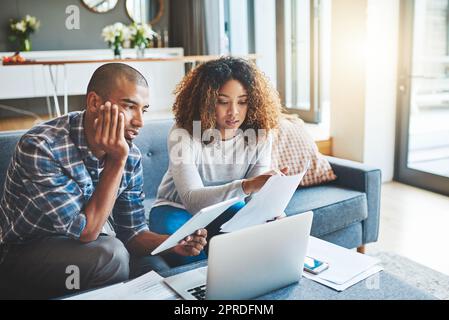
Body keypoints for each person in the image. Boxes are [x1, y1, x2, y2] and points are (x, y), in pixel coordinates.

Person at [0, 63, 207, 299]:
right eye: (129, 106)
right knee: (112, 255)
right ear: (94, 103)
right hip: (27, 251)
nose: (139, 121)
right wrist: (116, 161)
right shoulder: (41, 147)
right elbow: (85, 232)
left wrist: (174, 242)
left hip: (99, 242)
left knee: (158, 271)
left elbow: (133, 233)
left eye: (144, 110)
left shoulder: (131, 154)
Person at [149, 57, 286, 267]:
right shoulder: (182, 133)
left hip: (227, 206)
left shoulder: (260, 134)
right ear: (205, 101)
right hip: (175, 208)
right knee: (192, 257)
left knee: (261, 244)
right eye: (223, 102)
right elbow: (191, 200)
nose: (234, 112)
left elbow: (255, 199)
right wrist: (247, 186)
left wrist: (270, 211)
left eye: (242, 101)